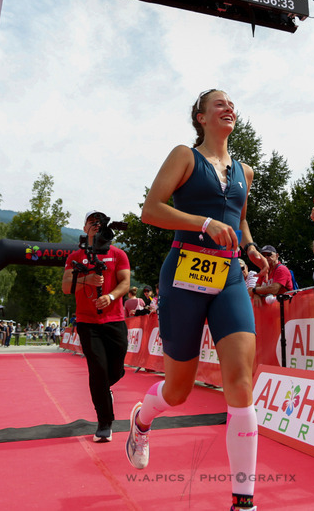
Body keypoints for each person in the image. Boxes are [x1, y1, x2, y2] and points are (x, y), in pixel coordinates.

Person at [127, 89, 268, 511]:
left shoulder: (246, 170)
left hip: (228, 278)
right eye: (219, 104)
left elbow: (240, 225)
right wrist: (202, 222)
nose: (229, 108)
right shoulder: (184, 157)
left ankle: (244, 501)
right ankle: (141, 420)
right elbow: (151, 210)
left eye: (232, 104)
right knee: (178, 391)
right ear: (201, 117)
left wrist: (252, 248)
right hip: (184, 273)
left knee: (241, 383)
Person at [63, 210, 132, 443]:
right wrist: (86, 280)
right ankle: (104, 422)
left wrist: (111, 297)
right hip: (87, 322)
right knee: (98, 371)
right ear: (84, 228)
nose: (95, 226)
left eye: (99, 223)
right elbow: (65, 287)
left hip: (115, 320)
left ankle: (103, 389)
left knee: (115, 370)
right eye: (91, 223)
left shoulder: (118, 254)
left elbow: (125, 283)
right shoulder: (74, 256)